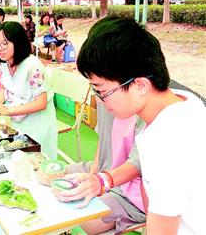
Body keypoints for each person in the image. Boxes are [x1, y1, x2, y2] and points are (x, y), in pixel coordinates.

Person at [75, 16, 206, 234]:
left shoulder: (165, 140)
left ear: (140, 85)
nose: (101, 100)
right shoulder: (188, 104)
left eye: (102, 90)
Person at [57, 103, 146, 234]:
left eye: (100, 89)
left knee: (77, 219)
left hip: (130, 192)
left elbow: (137, 165)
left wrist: (101, 181)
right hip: (105, 170)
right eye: (95, 89)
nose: (100, 97)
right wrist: (93, 174)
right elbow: (103, 138)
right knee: (50, 176)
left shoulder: (151, 114)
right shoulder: (105, 95)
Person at [0, 21, 57, 159]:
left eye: (4, 44)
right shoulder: (5, 62)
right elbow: (4, 87)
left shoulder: (32, 66)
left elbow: (41, 103)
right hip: (17, 117)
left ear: (18, 43)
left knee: (35, 160)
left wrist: (8, 111)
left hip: (37, 120)